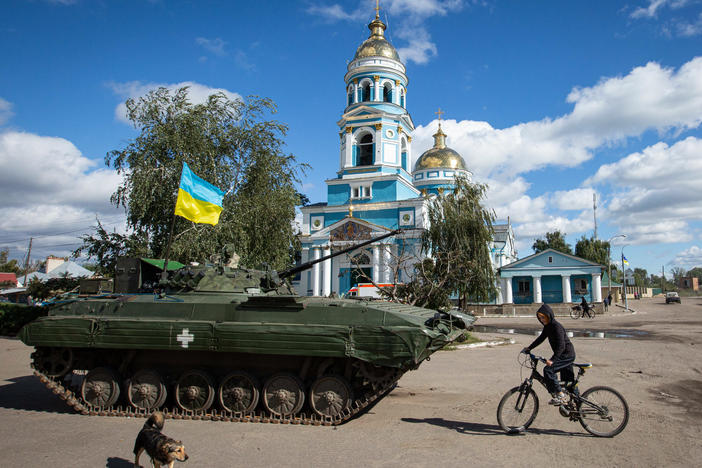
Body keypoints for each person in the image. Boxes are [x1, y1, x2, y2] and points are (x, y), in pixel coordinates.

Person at [522, 304, 576, 405]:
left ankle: (560, 396)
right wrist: (529, 348)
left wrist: (552, 360)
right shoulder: (548, 327)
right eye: (540, 318)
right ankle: (576, 406)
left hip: (567, 355)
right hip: (562, 355)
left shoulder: (556, 327)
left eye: (543, 317)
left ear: (549, 315)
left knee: (548, 370)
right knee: (568, 384)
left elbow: (561, 346)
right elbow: (541, 338)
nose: (542, 319)